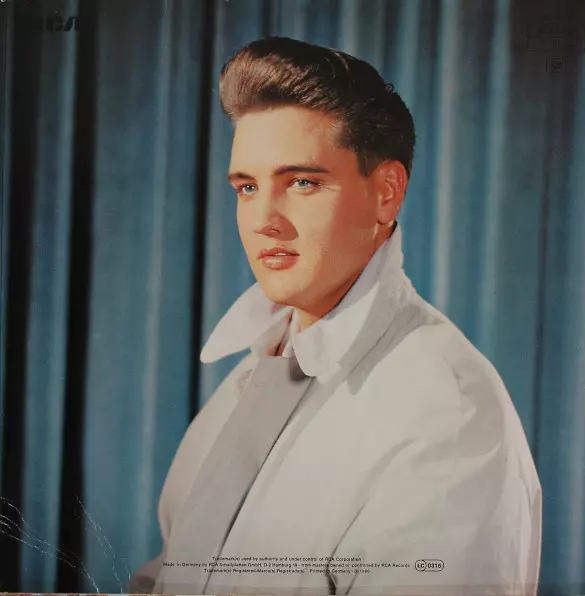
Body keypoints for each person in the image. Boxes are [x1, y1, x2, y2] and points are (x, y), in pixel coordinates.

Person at [129, 36, 541, 596]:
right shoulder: (249, 373)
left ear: (387, 193)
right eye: (247, 187)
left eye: (302, 182)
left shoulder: (448, 416)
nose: (264, 219)